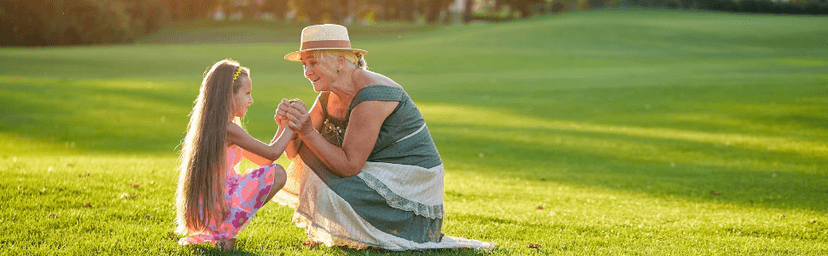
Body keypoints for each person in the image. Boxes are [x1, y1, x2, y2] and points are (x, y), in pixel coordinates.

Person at [273, 24, 494, 250]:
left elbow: (349, 166)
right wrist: (288, 125)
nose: (307, 72)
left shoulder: (371, 94)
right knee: (313, 158)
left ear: (340, 61)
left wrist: (307, 131)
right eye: (304, 65)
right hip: (373, 171)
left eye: (313, 63)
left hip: (408, 182)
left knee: (319, 161)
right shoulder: (329, 93)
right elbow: (295, 153)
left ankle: (377, 229)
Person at [174, 59, 294, 250]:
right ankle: (227, 233)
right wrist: (293, 125)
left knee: (272, 171)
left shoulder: (216, 127)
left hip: (212, 204)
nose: (251, 100)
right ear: (229, 96)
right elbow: (273, 153)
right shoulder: (228, 129)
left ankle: (226, 233)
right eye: (247, 93)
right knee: (278, 173)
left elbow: (265, 159)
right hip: (219, 204)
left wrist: (282, 127)